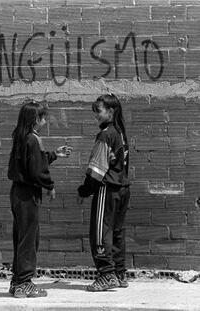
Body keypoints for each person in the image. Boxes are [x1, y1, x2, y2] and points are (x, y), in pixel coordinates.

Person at [7, 100, 72, 298]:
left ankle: (17, 281)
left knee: (21, 237)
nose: (44, 120)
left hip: (18, 192)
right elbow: (37, 170)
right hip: (28, 195)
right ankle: (24, 283)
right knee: (29, 239)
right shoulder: (33, 139)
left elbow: (34, 161)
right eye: (42, 117)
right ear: (35, 119)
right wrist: (49, 185)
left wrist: (54, 155)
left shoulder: (21, 137)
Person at [77, 94, 130, 292]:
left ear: (110, 111)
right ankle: (119, 273)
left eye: (98, 112)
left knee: (100, 232)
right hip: (123, 189)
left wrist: (84, 191)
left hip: (107, 189)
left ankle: (106, 274)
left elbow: (97, 171)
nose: (96, 116)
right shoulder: (120, 132)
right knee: (117, 232)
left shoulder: (106, 134)